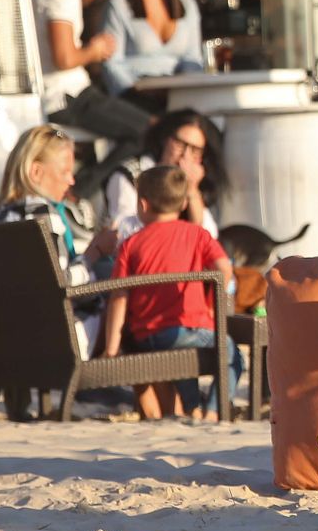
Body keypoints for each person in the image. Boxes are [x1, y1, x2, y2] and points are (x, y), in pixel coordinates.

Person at [31, 0, 151, 201]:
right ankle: (76, 193)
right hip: (65, 94)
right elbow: (64, 57)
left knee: (142, 126)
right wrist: (94, 50)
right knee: (147, 132)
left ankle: (84, 193)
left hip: (66, 91)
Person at [102, 165, 239, 421]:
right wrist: (211, 303)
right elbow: (223, 268)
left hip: (147, 337)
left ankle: (192, 408)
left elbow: (119, 296)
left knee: (181, 360)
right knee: (231, 352)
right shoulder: (197, 235)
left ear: (142, 205)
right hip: (187, 328)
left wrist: (111, 347)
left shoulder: (131, 244)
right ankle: (214, 411)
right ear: (184, 203)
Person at [0, 125, 120, 365]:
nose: (71, 180)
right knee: (124, 299)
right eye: (65, 171)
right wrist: (94, 253)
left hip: (1, 342)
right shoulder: (46, 217)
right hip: (51, 344)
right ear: (36, 172)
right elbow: (59, 286)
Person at [104, 110, 226, 240]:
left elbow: (207, 237)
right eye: (180, 144)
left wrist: (192, 189)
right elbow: (123, 231)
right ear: (165, 139)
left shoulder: (194, 182)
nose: (186, 155)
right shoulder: (129, 175)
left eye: (195, 150)